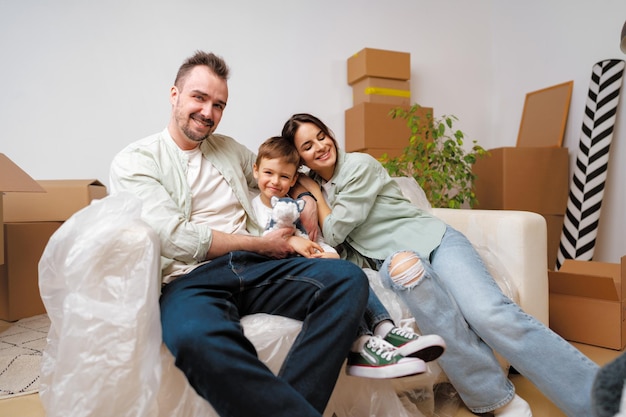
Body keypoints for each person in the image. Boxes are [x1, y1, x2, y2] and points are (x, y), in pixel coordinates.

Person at [281, 113, 600, 417]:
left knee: (488, 313)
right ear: (300, 159)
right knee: (416, 283)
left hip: (435, 240)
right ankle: (494, 398)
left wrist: (315, 196)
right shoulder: (313, 187)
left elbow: (336, 230)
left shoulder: (358, 167)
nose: (320, 147)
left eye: (322, 137)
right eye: (307, 146)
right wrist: (306, 193)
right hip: (394, 259)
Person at [107, 51, 372, 417]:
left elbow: (279, 172)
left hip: (257, 267)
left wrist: (306, 196)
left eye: (219, 105)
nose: (208, 112)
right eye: (199, 98)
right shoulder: (136, 160)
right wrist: (263, 243)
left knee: (348, 280)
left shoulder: (228, 149)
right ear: (174, 95)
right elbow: (174, 237)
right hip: (192, 278)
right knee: (192, 337)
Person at [251, 136, 446, 379]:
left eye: (284, 177)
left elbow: (318, 238)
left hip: (316, 263)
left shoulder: (299, 205)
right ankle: (365, 341)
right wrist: (290, 242)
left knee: (351, 273)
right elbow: (258, 247)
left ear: (293, 180)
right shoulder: (253, 209)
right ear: (256, 170)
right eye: (269, 173)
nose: (275, 181)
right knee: (341, 279)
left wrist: (327, 253)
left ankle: (384, 329)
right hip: (287, 270)